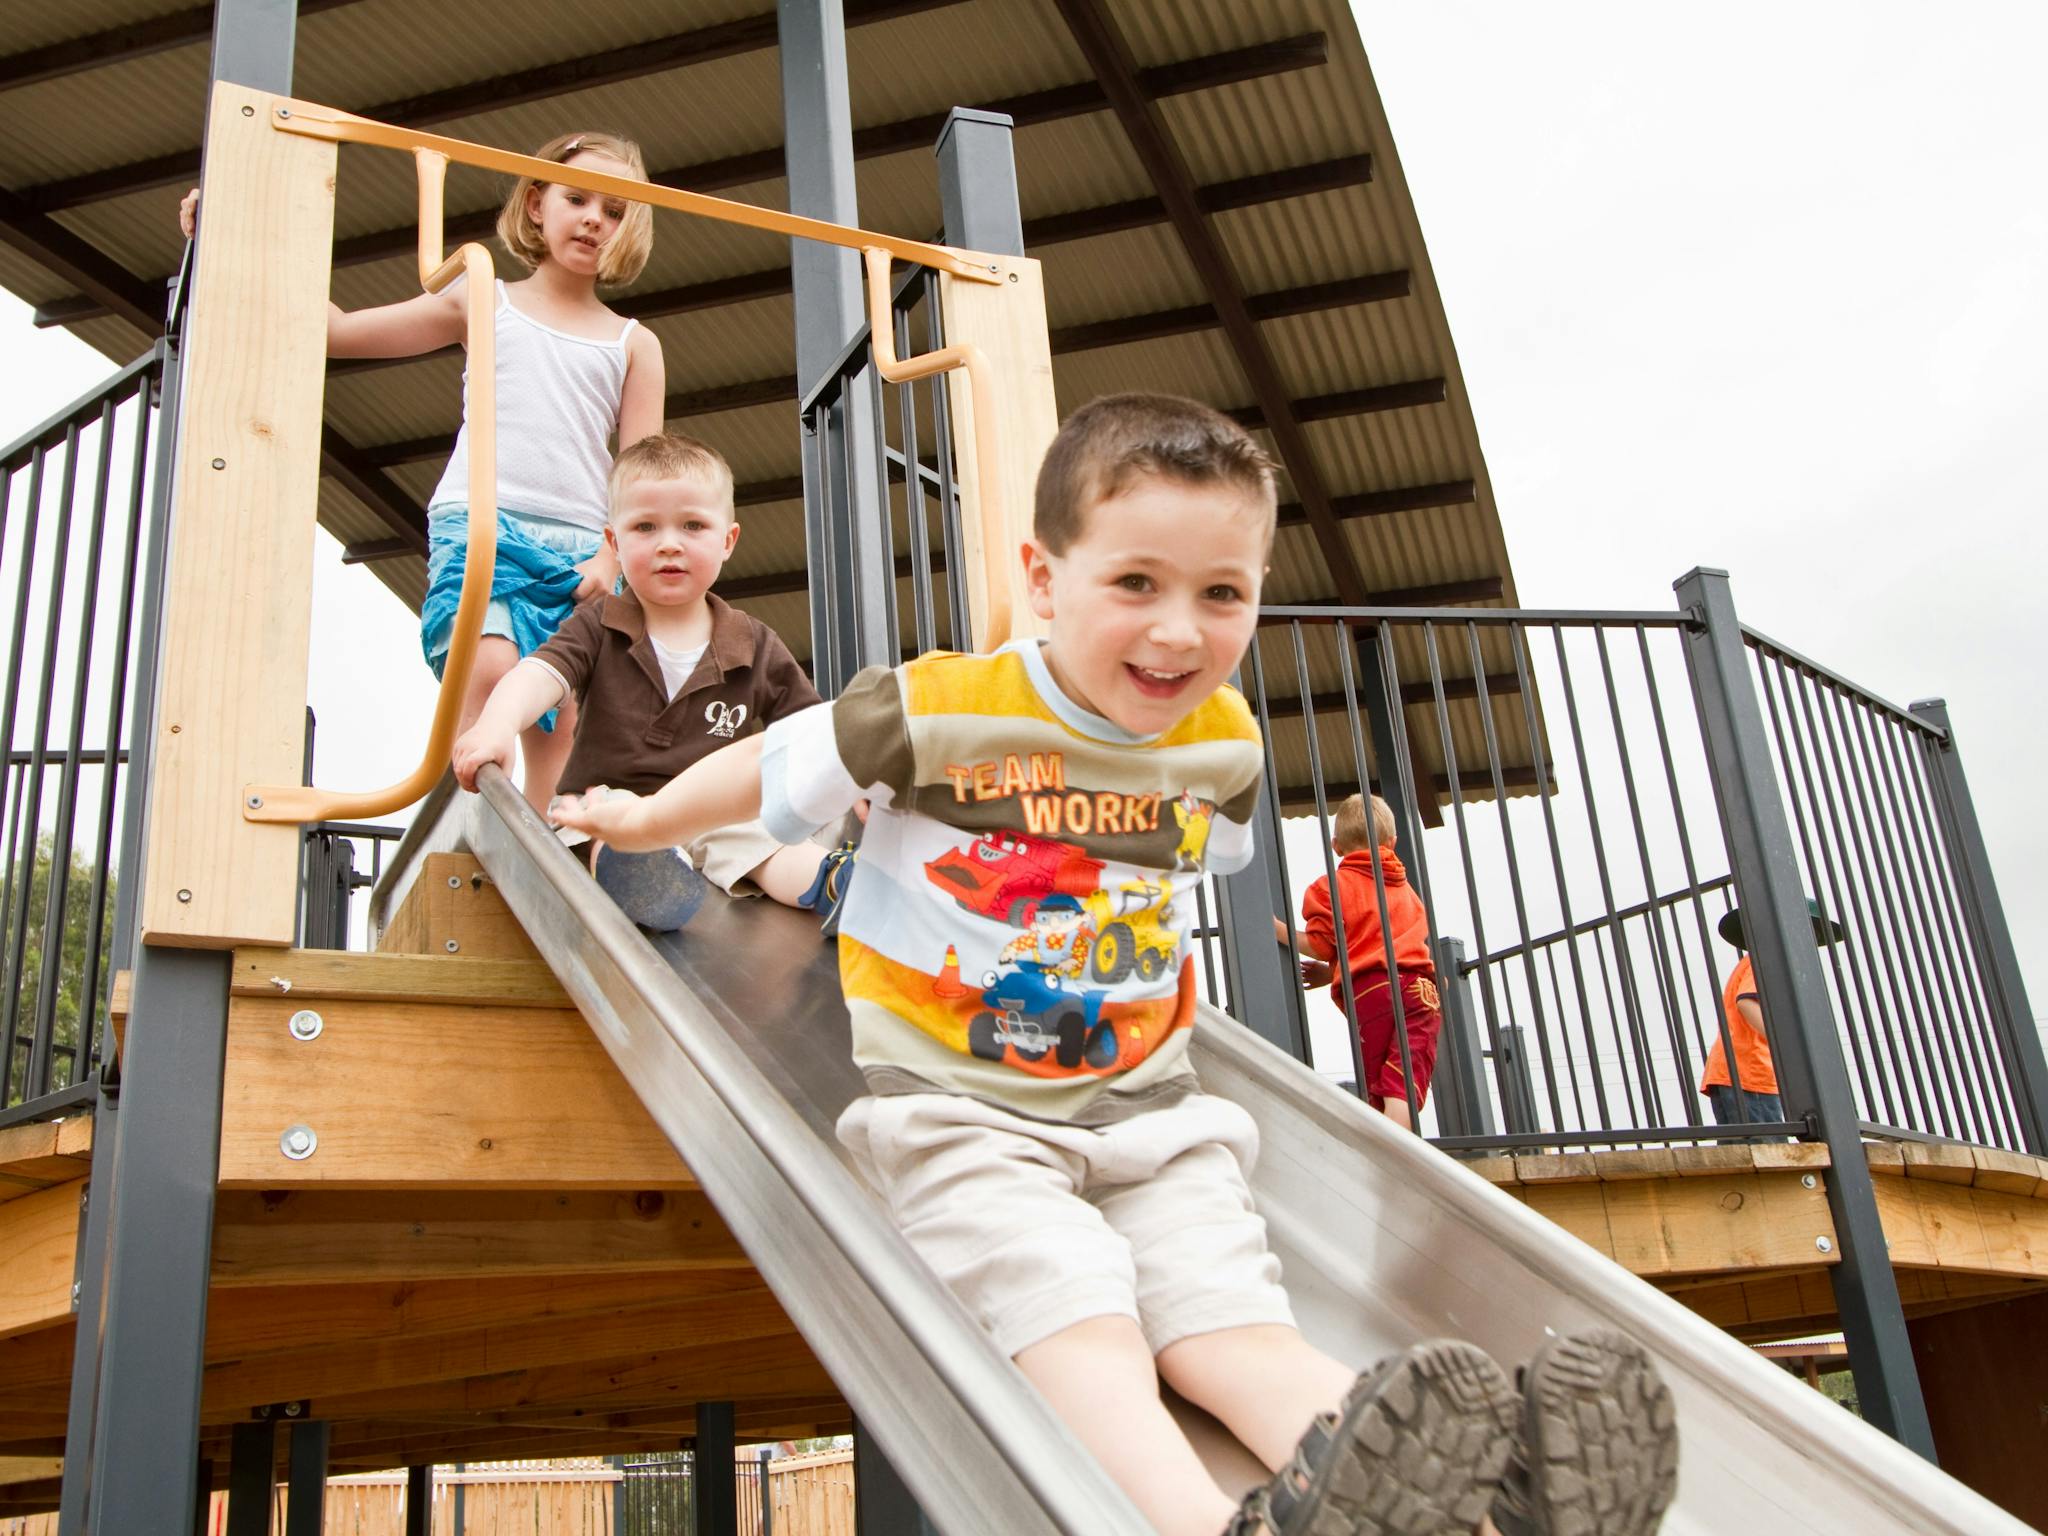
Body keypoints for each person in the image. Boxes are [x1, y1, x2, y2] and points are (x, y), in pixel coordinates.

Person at [555, 394, 1677, 1536]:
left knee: (1230, 1328)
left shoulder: (1222, 740)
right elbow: (762, 768)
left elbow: (1205, 850)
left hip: (1153, 1115)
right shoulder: (939, 708)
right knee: (1074, 1320)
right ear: (1044, 581)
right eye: (1135, 583)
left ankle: (1495, 1505)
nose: (1178, 632)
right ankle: (1203, 1525)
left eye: (1220, 593)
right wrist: (640, 822)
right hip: (963, 1118)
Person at [183, 129, 668, 812]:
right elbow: (337, 330)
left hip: (577, 546)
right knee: (493, 666)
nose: (594, 218)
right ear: (536, 205)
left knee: (558, 720)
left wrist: (612, 555)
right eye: (576, 198)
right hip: (483, 523)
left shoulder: (632, 342)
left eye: (614, 210)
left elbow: (641, 473)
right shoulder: (483, 298)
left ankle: (549, 854)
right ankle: (468, 824)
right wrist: (232, 238)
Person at [451, 433, 850, 930]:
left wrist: (857, 785)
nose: (669, 543)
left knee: (761, 838)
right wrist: (496, 724)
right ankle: (641, 882)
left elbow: (812, 732)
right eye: (645, 526)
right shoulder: (599, 624)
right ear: (614, 544)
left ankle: (839, 884)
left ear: (727, 541)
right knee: (605, 823)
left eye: (692, 525)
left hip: (709, 811)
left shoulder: (752, 643)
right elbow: (539, 675)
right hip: (610, 804)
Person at [1276, 793, 1441, 1133]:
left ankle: (1388, 1157)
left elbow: (1324, 945)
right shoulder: (1404, 888)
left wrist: (1278, 930)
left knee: (1377, 1085)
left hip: (1370, 993)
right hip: (1420, 990)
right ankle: (1403, 1154)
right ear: (1392, 843)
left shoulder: (1330, 887)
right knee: (1403, 1081)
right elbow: (1393, 943)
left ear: (1336, 846)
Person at [1700, 897, 1844, 1133]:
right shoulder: (1766, 960)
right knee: (1765, 1145)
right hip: (1750, 1073)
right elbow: (1747, 1002)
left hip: (1736, 1073)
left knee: (1744, 1152)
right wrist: (1784, 1043)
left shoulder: (1755, 962)